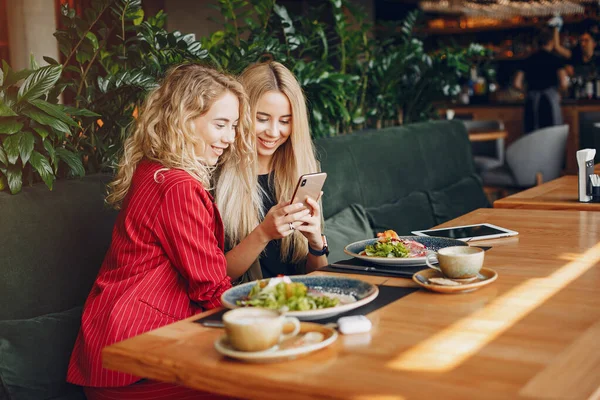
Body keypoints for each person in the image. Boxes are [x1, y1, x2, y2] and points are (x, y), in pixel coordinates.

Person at [67, 63, 253, 399]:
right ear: (183, 121)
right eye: (221, 125)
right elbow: (212, 289)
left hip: (109, 351)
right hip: (135, 360)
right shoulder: (178, 186)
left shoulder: (152, 169)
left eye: (235, 126)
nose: (230, 138)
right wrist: (275, 317)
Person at [215, 61, 329, 283]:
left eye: (285, 121)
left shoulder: (301, 169)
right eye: (262, 119)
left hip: (298, 301)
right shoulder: (216, 176)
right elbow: (216, 276)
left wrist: (316, 243)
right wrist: (263, 233)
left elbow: (320, 279)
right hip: (247, 306)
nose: (274, 132)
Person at [513, 27, 568, 133]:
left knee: (532, 135)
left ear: (537, 43)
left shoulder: (528, 59)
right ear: (551, 42)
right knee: (552, 134)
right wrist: (559, 93)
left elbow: (516, 83)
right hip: (550, 102)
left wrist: (526, 92)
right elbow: (564, 82)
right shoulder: (555, 59)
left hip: (532, 101)